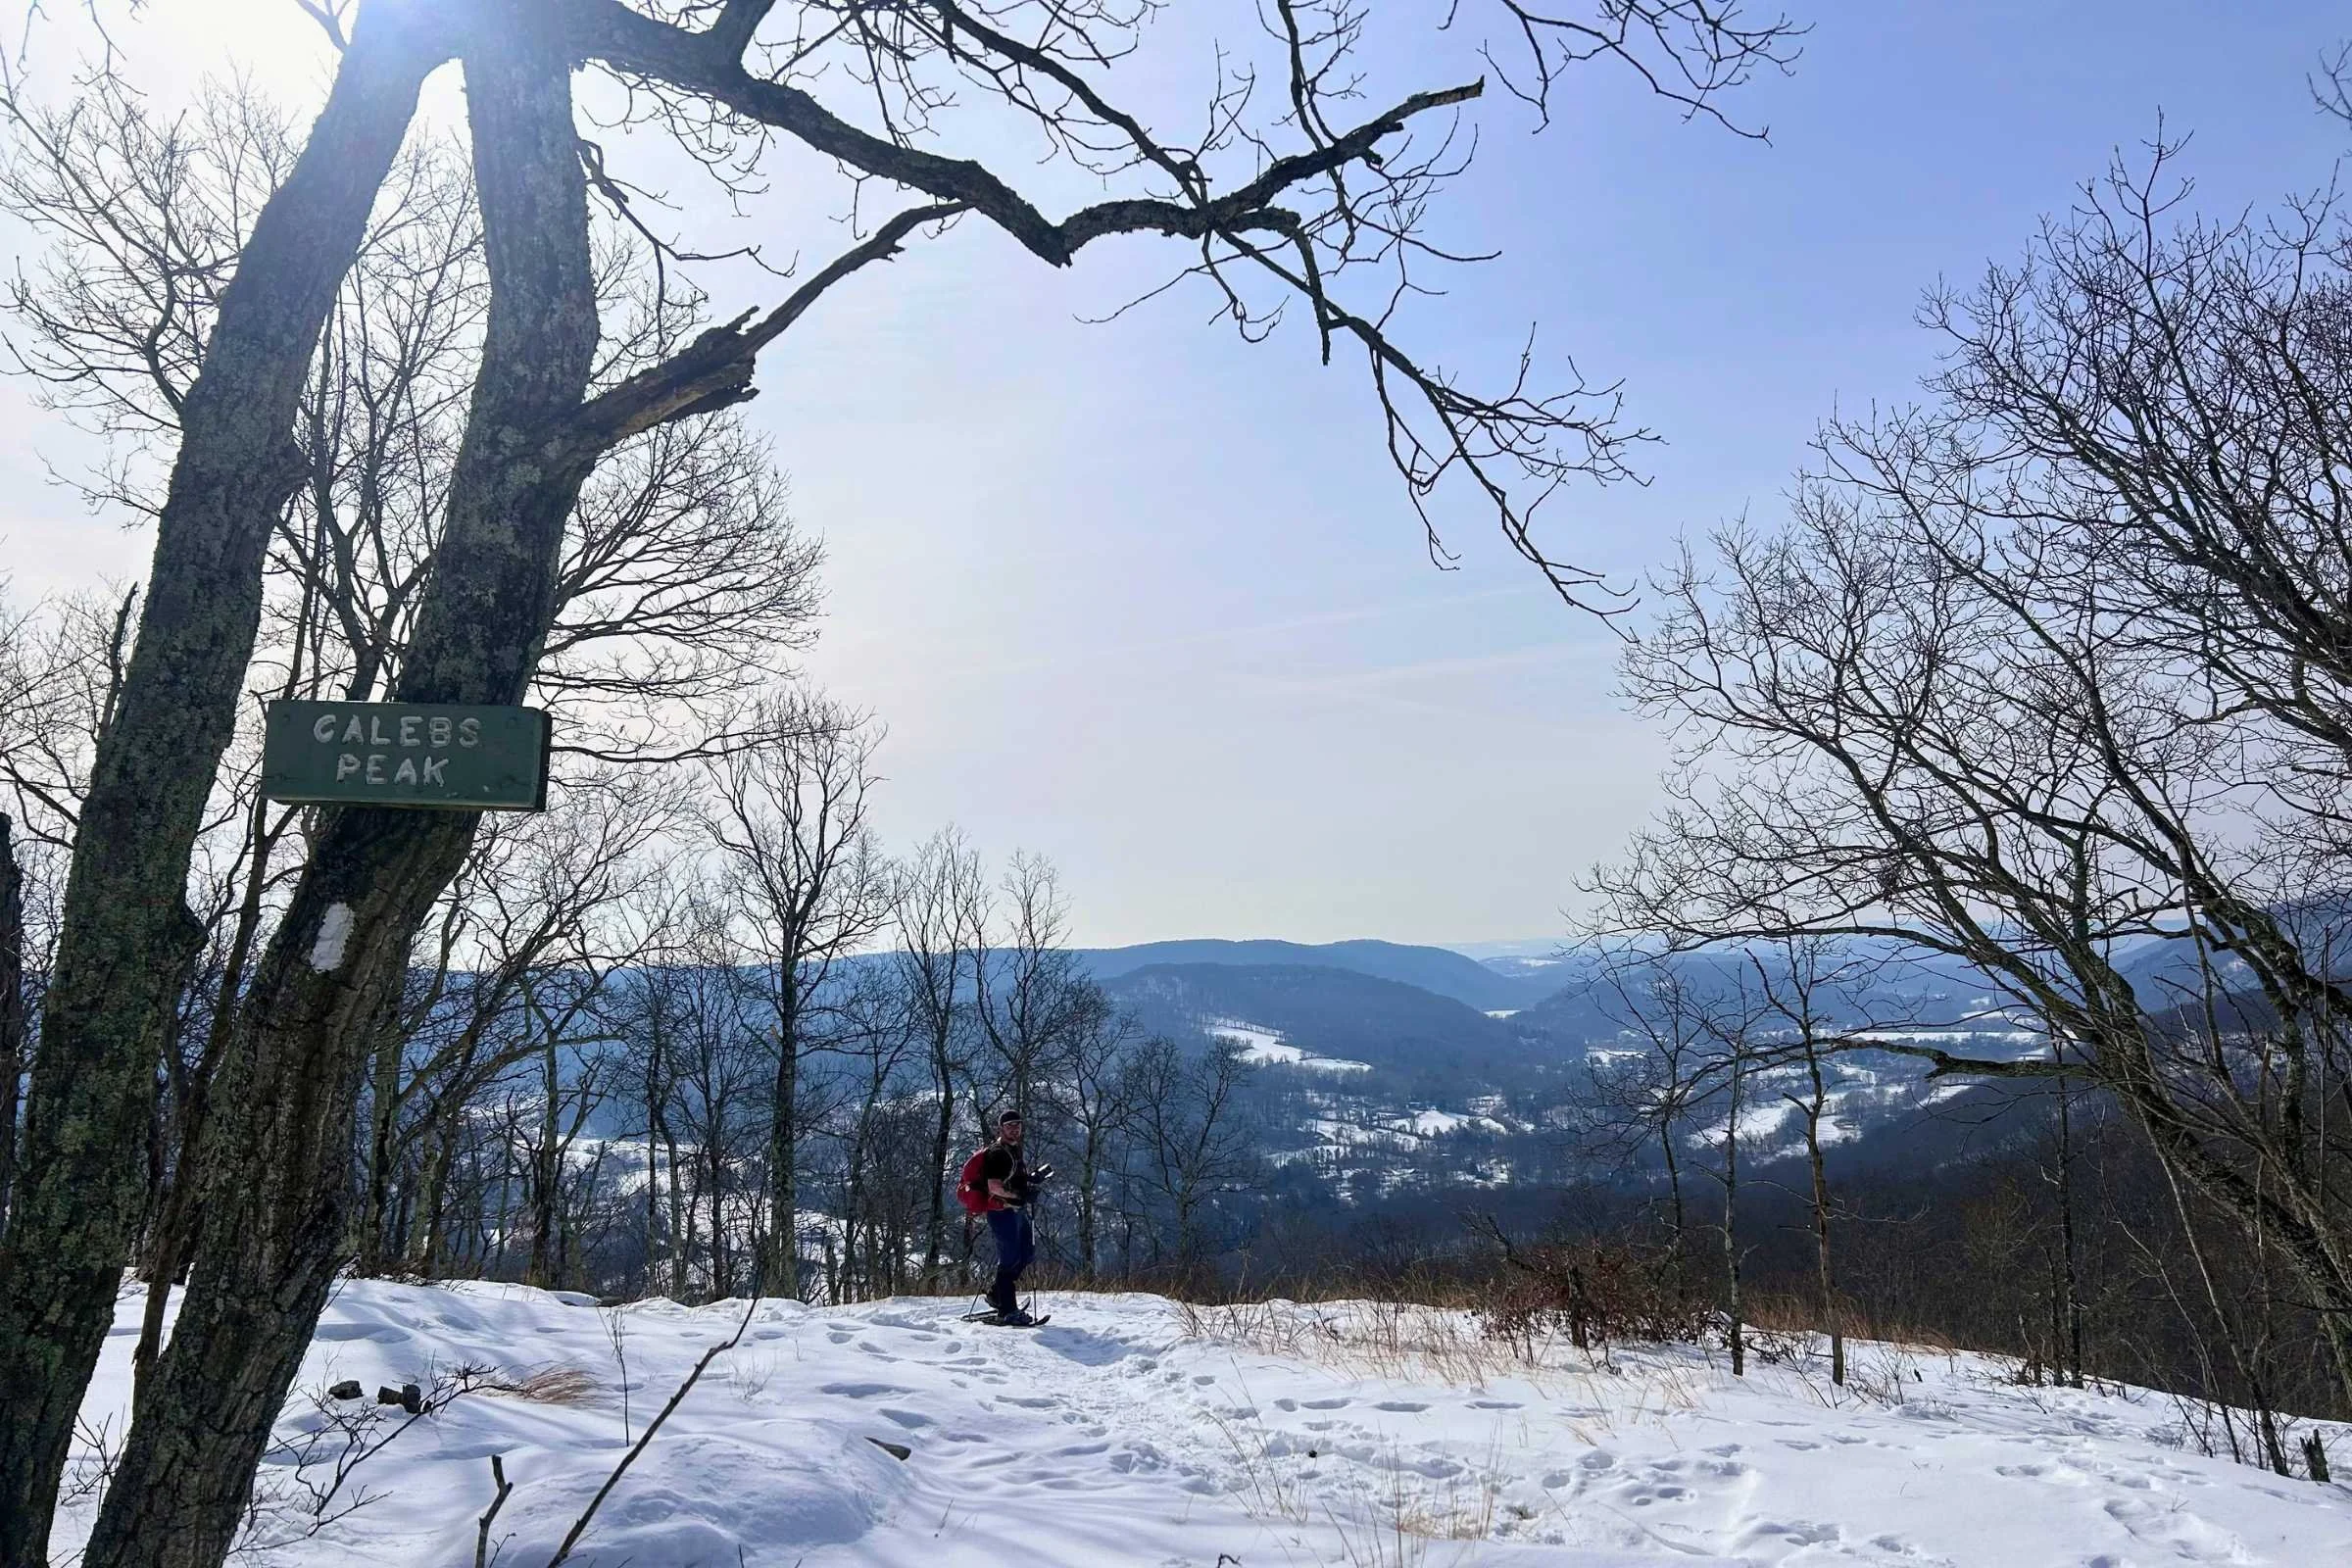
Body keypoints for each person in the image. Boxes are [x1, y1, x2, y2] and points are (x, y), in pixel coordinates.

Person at [981, 1109, 1050, 1323]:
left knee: (1026, 1254)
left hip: (1017, 1211)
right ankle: (1008, 1311)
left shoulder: (1015, 1149)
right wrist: (1020, 1194)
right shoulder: (997, 1153)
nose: (1014, 1128)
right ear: (1000, 1128)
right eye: (1009, 1125)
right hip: (1002, 1212)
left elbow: (1014, 1177)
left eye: (1017, 1124)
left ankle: (997, 1294)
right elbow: (993, 1186)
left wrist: (1032, 1178)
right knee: (1009, 1259)